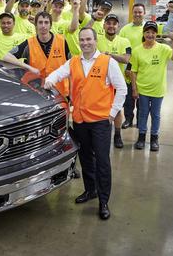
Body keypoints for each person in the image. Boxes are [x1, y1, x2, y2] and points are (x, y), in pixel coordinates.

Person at [44, 27, 127, 220]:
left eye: (88, 39)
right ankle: (91, 190)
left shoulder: (108, 62)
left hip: (100, 122)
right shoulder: (73, 61)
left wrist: (112, 113)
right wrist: (48, 81)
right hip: (80, 120)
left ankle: (104, 201)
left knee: (102, 162)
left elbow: (121, 88)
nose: (85, 43)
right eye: (82, 40)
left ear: (95, 41)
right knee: (86, 159)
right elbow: (57, 74)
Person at [130, 21, 173, 151]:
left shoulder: (163, 49)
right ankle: (141, 138)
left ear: (156, 34)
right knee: (142, 114)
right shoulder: (137, 50)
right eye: (147, 32)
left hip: (158, 90)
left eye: (153, 32)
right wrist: (134, 89)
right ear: (144, 33)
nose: (150, 34)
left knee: (156, 115)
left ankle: (154, 139)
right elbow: (133, 71)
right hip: (143, 90)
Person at [2, 11, 72, 97]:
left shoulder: (62, 41)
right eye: (40, 22)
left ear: (50, 25)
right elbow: (6, 57)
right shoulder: (29, 43)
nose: (43, 26)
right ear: (36, 25)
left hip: (60, 92)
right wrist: (28, 67)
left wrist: (71, 93)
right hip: (37, 92)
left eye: (46, 22)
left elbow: (70, 67)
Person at [99, 14, 132, 148]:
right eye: (108, 23)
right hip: (100, 82)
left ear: (118, 26)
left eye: (114, 23)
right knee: (100, 109)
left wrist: (109, 56)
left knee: (117, 110)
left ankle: (117, 135)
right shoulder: (97, 39)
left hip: (118, 83)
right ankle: (101, 134)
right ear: (104, 25)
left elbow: (126, 59)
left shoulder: (125, 41)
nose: (111, 26)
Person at [119, 3, 146, 128]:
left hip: (144, 66)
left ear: (144, 13)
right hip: (129, 67)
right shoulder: (125, 29)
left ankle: (141, 121)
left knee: (142, 97)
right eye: (135, 12)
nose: (137, 14)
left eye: (140, 12)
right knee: (129, 97)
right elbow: (120, 47)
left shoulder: (148, 28)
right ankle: (128, 119)